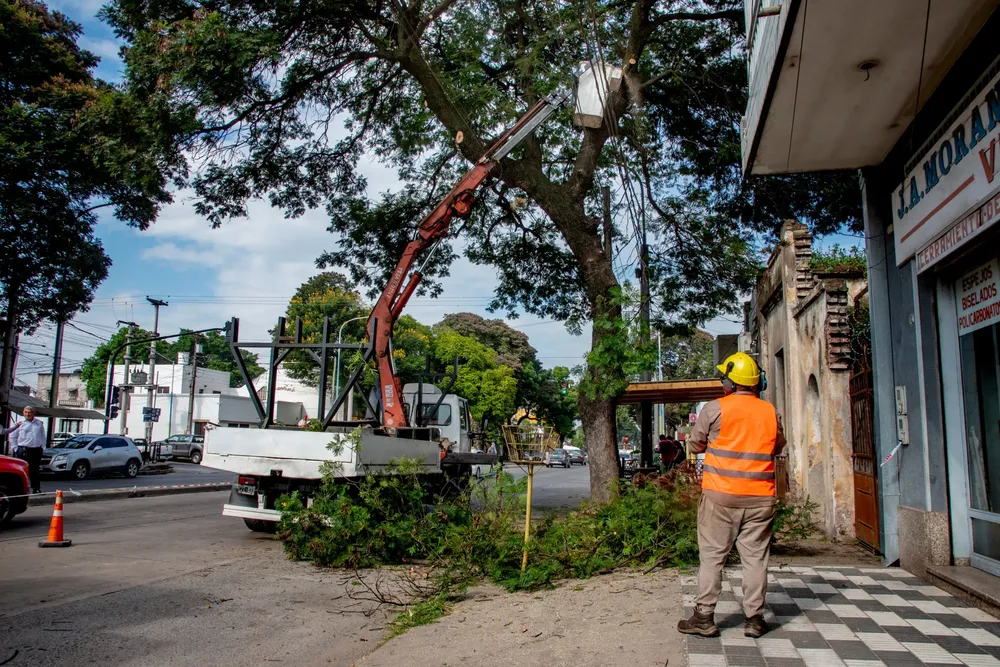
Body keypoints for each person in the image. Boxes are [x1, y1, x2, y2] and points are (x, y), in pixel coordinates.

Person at [677, 352, 786, 640]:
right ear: (756, 382)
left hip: (721, 498)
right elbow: (777, 446)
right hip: (761, 498)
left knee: (713, 557)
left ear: (729, 380)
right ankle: (754, 619)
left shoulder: (715, 409)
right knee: (755, 559)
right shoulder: (769, 411)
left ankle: (704, 617)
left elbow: (697, 445)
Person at [10, 407, 46, 494]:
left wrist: (42, 448)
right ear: (23, 412)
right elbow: (13, 436)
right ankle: (19, 490)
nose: (27, 414)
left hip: (36, 450)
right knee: (21, 470)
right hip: (23, 449)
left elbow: (43, 436)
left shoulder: (39, 423)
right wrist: (16, 448)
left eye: (29, 412)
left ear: (33, 413)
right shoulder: (19, 423)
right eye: (25, 412)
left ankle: (36, 488)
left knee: (35, 470)